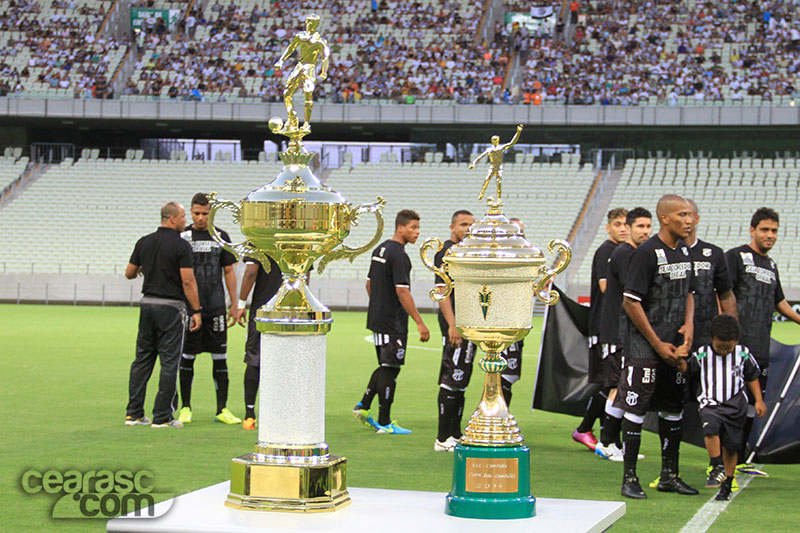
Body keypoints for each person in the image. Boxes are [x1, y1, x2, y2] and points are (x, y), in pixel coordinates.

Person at [615, 194, 699, 499]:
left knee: (673, 409)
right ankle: (629, 478)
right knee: (635, 409)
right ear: (664, 218)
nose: (689, 220)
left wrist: (688, 328)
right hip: (645, 348)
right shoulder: (647, 253)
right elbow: (630, 301)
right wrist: (656, 343)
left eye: (690, 215)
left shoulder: (685, 251)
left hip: (674, 347)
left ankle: (669, 476)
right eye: (682, 215)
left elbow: (690, 293)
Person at [725, 207, 800, 476]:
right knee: (730, 403)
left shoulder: (771, 265)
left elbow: (780, 303)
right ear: (752, 230)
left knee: (750, 407)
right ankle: (721, 463)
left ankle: (740, 458)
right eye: (765, 230)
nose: (770, 235)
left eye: (774, 231)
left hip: (761, 346)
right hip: (735, 347)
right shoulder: (735, 257)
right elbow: (722, 294)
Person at [353, 209, 431, 434]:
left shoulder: (380, 249)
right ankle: (385, 423)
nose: (417, 232)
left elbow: (369, 285)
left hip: (378, 319)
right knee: (391, 369)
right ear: (400, 228)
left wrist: (379, 306)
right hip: (392, 323)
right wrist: (419, 322)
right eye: (413, 228)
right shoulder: (399, 255)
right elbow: (402, 292)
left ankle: (364, 406)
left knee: (386, 366)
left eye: (418, 228)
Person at [124, 202, 201, 428]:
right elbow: (187, 280)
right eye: (183, 217)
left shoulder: (144, 242)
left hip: (147, 304)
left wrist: (146, 268)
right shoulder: (181, 246)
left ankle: (134, 413)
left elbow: (129, 273)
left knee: (142, 359)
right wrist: (196, 310)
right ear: (172, 219)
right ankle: (162, 416)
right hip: (171, 307)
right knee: (169, 362)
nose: (185, 221)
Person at [678, 314, 766, 500]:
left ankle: (727, 482)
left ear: (736, 341)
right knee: (711, 427)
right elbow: (689, 370)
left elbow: (752, 376)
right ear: (712, 340)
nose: (725, 351)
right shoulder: (703, 354)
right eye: (720, 347)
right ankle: (716, 465)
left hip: (735, 406)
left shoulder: (742, 353)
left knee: (732, 445)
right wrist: (679, 360)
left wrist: (758, 400)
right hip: (710, 402)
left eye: (729, 347)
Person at [176, 193, 241, 425]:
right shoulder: (182, 236)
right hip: (190, 309)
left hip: (216, 308)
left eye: (205, 213)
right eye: (197, 213)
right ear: (191, 213)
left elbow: (229, 272)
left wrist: (235, 304)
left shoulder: (221, 237)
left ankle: (222, 409)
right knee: (187, 358)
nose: (201, 218)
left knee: (220, 358)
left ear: (211, 213)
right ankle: (185, 407)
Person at [595, 207, 651, 461]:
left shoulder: (631, 253)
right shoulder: (622, 254)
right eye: (640, 226)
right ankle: (606, 442)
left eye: (648, 227)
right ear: (628, 228)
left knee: (624, 386)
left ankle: (614, 442)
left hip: (624, 332)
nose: (645, 232)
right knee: (617, 388)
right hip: (615, 332)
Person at [573, 208, 629, 451]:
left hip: (617, 327)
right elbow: (607, 288)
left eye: (627, 224)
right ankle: (595, 433)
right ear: (608, 227)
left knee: (611, 383)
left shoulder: (624, 251)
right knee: (611, 384)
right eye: (617, 224)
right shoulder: (607, 251)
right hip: (603, 328)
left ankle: (596, 433)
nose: (623, 228)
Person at [434, 210, 476, 451]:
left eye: (471, 224)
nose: (468, 228)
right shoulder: (447, 252)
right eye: (463, 224)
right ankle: (442, 438)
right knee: (452, 378)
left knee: (461, 381)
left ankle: (455, 433)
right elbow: (443, 292)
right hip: (456, 326)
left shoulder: (467, 252)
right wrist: (452, 324)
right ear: (452, 227)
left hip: (468, 325)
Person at [230, 253, 282, 430]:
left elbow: (251, 271)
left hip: (263, 310)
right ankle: (281, 413)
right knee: (285, 362)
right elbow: (306, 276)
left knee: (254, 359)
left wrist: (241, 303)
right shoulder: (297, 237)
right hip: (289, 311)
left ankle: (249, 415)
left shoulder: (259, 237)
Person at [274, 13, 330, 129]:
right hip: (300, 66)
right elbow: (291, 47)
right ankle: (291, 116)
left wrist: (324, 71)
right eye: (308, 22)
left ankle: (306, 123)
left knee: (308, 94)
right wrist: (281, 60)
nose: (309, 24)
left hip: (310, 68)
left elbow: (325, 57)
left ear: (316, 25)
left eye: (312, 23)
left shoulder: (319, 41)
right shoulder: (300, 36)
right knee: (287, 93)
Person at [499, 217, 528, 407]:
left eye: (522, 232)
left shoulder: (522, 258)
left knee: (509, 374)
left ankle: (500, 417)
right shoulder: (501, 259)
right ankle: (498, 418)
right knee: (504, 374)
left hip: (517, 324)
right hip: (503, 326)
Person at [469, 124, 523, 201]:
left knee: (499, 182)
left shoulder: (501, 148)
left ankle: (499, 198)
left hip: (499, 167)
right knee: (487, 179)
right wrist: (473, 163)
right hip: (492, 166)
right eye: (493, 139)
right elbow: (480, 157)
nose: (494, 141)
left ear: (498, 140)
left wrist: (518, 132)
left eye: (496, 139)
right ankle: (481, 194)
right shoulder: (489, 149)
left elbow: (512, 143)